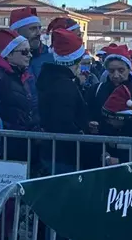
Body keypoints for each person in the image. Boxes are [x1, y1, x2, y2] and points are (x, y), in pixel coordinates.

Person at [37, 29, 94, 173]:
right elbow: (63, 122)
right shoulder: (64, 85)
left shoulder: (52, 78)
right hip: (63, 156)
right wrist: (82, 135)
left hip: (54, 152)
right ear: (77, 60)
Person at [0, 28, 38, 161]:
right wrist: (6, 128)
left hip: (19, 143)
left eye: (30, 51)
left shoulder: (19, 75)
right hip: (2, 147)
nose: (30, 55)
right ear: (8, 54)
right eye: (24, 52)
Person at [87, 47, 132, 142]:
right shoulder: (96, 89)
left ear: (129, 69)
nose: (116, 75)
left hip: (130, 146)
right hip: (101, 145)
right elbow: (86, 111)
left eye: (121, 70)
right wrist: (90, 123)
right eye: (111, 71)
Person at [9, 8, 44, 121]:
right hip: (16, 128)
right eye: (33, 29)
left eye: (39, 28)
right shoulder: (3, 60)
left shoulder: (49, 56)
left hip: (44, 128)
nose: (39, 33)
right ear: (17, 32)